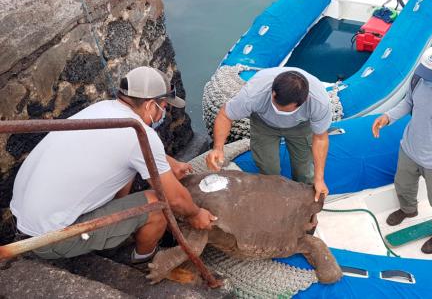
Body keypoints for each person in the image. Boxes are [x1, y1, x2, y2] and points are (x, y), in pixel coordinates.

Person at [10, 66, 217, 263]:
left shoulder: (102, 109)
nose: (164, 113)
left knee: (130, 174)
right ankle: (143, 261)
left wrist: (166, 163)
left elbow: (126, 151)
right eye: (163, 107)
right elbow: (175, 199)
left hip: (23, 220)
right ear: (149, 105)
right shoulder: (139, 132)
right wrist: (196, 214)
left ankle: (117, 233)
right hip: (49, 239)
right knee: (158, 204)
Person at [372, 45, 432, 253]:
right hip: (409, 150)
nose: (427, 79)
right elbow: (408, 102)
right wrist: (387, 117)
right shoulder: (418, 79)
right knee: (403, 184)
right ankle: (408, 210)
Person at [206, 67, 332, 201]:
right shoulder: (254, 93)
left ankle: (306, 199)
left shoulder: (319, 102)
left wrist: (319, 179)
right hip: (264, 123)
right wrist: (218, 148)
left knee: (304, 169)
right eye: (276, 104)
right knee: (268, 167)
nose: (278, 110)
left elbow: (320, 138)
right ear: (273, 92)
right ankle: (274, 197)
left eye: (284, 109)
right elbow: (225, 115)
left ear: (303, 102)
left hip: (300, 126)